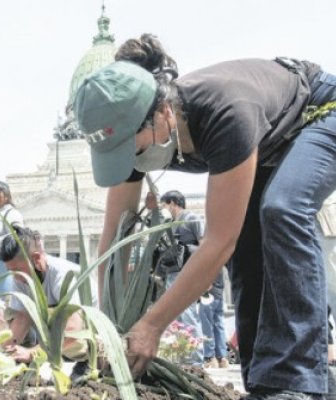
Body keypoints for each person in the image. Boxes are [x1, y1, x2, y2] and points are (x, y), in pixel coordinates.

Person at [74, 33, 336, 398]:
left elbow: (217, 243)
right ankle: (265, 382)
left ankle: (300, 381)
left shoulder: (226, 112)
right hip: (270, 140)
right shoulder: (133, 140)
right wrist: (109, 329)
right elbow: (113, 241)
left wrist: (152, 325)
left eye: (135, 150)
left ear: (163, 113)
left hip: (320, 112)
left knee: (283, 207)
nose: (131, 164)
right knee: (249, 237)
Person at [0, 227, 97, 363]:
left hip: (86, 342)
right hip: (55, 345)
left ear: (36, 258)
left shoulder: (63, 275)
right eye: (10, 271)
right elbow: (22, 318)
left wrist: (33, 353)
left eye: (17, 269)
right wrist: (4, 351)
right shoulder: (20, 277)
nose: (15, 277)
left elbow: (73, 330)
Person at [156, 190, 204, 365]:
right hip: (171, 273)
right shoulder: (169, 224)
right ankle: (180, 357)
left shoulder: (191, 218)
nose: (163, 209)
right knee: (174, 317)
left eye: (164, 205)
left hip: (187, 273)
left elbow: (204, 242)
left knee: (189, 314)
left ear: (173, 203)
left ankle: (196, 360)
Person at [199, 267, 229, 369]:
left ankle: (209, 357)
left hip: (209, 293)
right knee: (219, 325)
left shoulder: (206, 254)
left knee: (207, 326)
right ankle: (222, 358)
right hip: (219, 293)